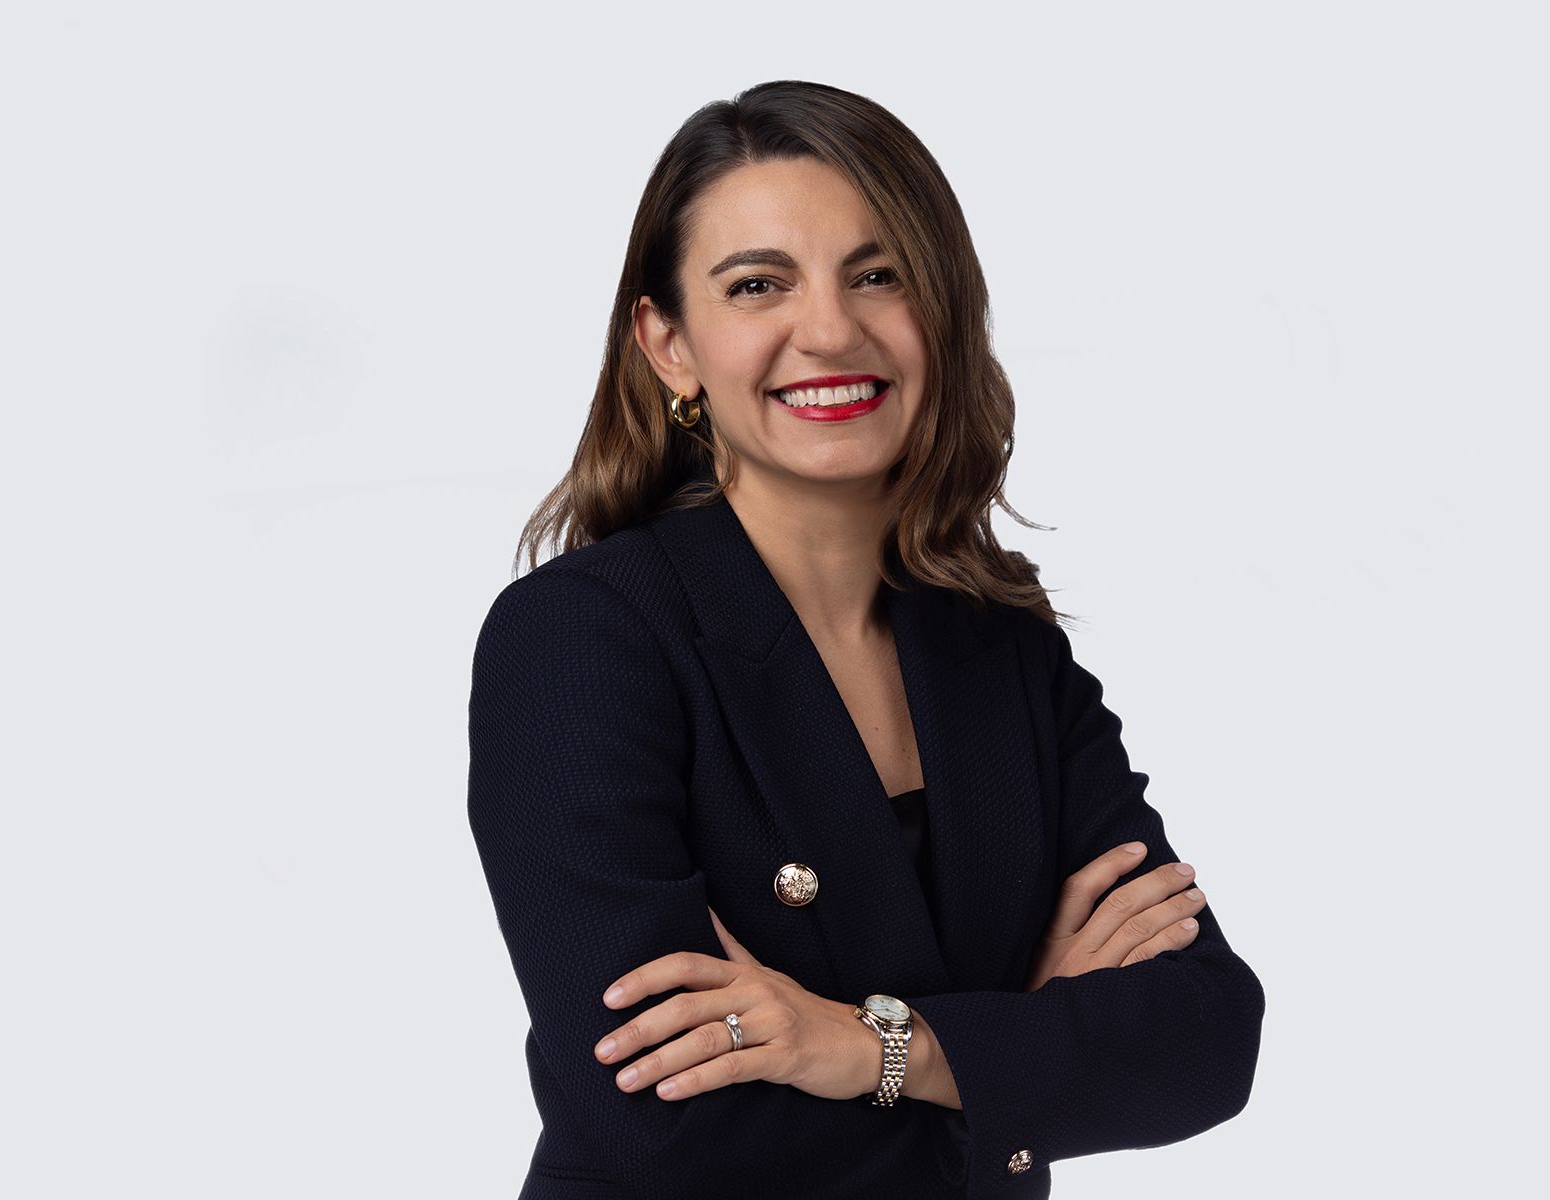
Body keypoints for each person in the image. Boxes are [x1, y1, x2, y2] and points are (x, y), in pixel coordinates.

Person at [466, 80, 1265, 1200]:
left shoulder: (1005, 647)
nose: (832, 331)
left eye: (878, 275)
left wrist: (862, 1048)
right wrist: (1019, 1047)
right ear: (670, 343)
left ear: (943, 312)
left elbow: (1207, 1037)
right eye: (758, 285)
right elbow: (659, 1119)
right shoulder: (582, 638)